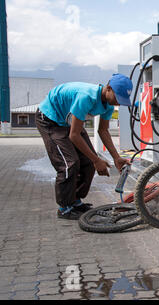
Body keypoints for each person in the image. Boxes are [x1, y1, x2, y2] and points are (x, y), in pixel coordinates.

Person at [36, 74, 133, 220]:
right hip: (51, 119)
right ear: (108, 89)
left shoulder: (108, 105)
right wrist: (97, 159)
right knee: (69, 164)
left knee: (87, 163)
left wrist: (116, 158)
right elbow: (74, 135)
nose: (118, 103)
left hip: (68, 121)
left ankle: (75, 201)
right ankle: (64, 208)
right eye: (117, 98)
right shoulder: (86, 97)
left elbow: (103, 130)